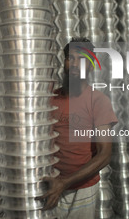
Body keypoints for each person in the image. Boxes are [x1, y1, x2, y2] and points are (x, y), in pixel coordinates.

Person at [36, 38, 118, 218]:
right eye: (69, 58)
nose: (73, 64)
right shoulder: (49, 100)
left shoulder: (98, 101)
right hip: (49, 185)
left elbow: (104, 155)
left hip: (82, 190)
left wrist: (64, 183)